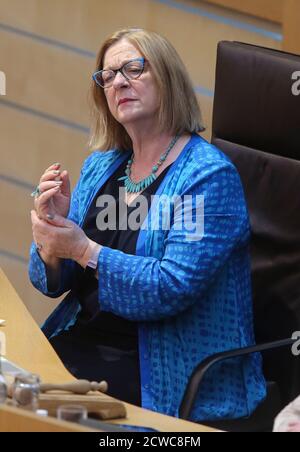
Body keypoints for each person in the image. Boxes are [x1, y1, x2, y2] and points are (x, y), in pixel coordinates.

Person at [29, 28, 266, 421]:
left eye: (133, 68)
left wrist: (83, 249)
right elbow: (51, 282)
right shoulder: (102, 165)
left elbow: (170, 286)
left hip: (159, 366)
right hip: (85, 339)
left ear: (168, 78)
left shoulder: (206, 178)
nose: (118, 81)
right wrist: (51, 238)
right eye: (107, 75)